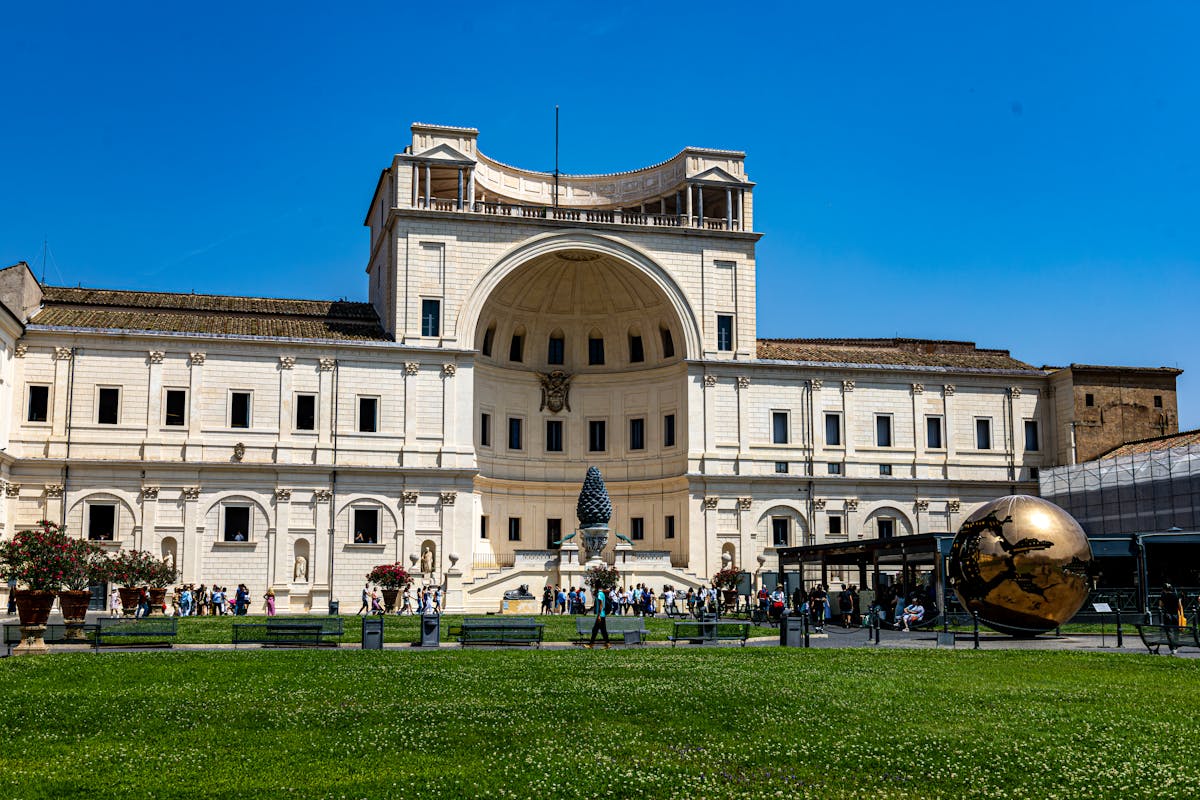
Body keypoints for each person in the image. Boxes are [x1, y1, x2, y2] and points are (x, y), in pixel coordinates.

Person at [1159, 583, 1184, 655]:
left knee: (1169, 631)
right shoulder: (1176, 595)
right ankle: (1176, 646)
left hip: (1167, 615)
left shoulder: (1163, 596)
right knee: (1176, 630)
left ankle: (1172, 647)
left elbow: (1160, 605)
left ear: (1164, 589)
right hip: (1175, 615)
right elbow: (1180, 606)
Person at [585, 585, 610, 649]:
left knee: (595, 630)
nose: (593, 590)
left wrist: (599, 615)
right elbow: (596, 605)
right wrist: (588, 610)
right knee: (602, 630)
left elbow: (601, 604)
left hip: (600, 615)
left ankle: (591, 645)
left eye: (594, 589)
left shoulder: (599, 594)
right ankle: (607, 643)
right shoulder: (601, 594)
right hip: (602, 614)